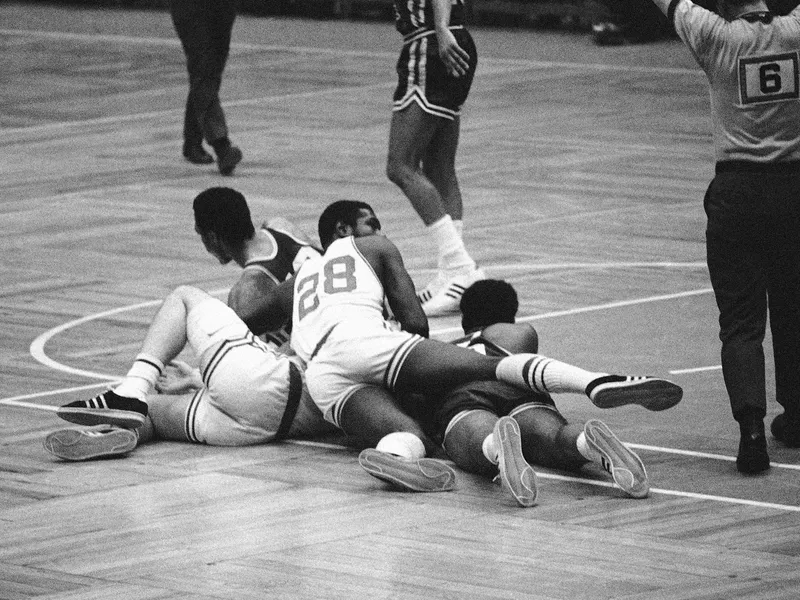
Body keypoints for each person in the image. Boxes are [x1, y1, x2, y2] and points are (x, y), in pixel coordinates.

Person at [250, 200, 682, 494]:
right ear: (344, 229)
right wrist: (416, 360)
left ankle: (408, 456)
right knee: (491, 370)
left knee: (407, 432)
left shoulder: (296, 284)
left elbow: (247, 318)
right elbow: (417, 324)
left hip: (324, 372)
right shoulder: (375, 249)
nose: (378, 229)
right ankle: (595, 390)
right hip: (374, 342)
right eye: (371, 221)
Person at [644, 0, 800, 473]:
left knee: (740, 321)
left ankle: (750, 430)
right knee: (794, 307)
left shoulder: (713, 35)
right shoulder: (795, 30)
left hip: (736, 194)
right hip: (794, 190)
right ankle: (796, 416)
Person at [427, 279, 649, 507]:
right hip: (520, 392)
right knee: (555, 437)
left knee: (477, 438)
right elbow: (523, 347)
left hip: (464, 397)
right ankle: (587, 444)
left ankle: (496, 447)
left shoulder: (438, 351)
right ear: (512, 313)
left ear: (464, 316)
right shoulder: (516, 333)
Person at [385, 0, 485, 316]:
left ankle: (460, 267)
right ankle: (449, 273)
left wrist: (440, 28)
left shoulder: (434, 33)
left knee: (400, 166)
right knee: (440, 169)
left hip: (431, 43)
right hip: (452, 38)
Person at [170, 0, 243, 175]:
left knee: (210, 72)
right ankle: (221, 146)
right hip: (191, 7)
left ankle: (192, 141)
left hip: (223, 7)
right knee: (204, 70)